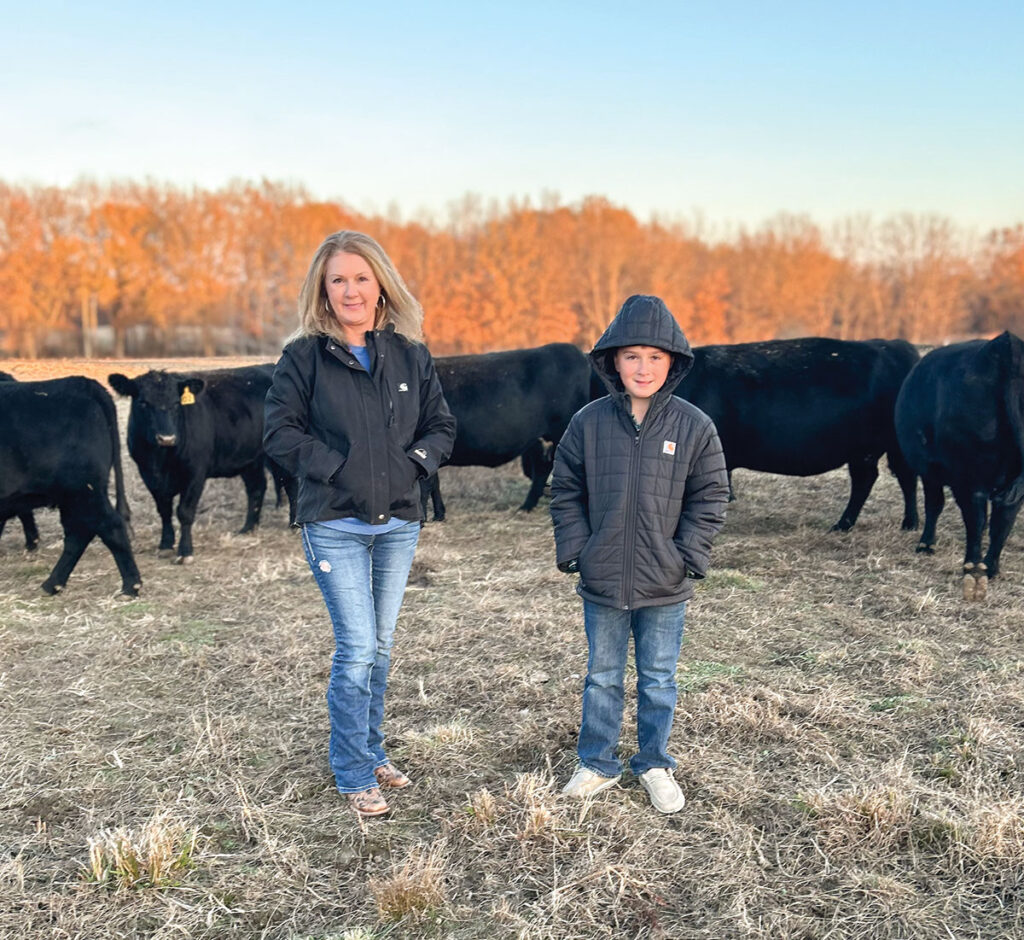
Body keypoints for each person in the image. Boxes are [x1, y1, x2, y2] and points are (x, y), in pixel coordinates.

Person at [264, 231, 456, 818]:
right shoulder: (303, 357)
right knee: (356, 649)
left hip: (398, 522)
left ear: (381, 286)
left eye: (361, 278)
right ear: (323, 291)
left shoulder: (409, 355)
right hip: (335, 523)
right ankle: (352, 771)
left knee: (381, 646)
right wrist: (340, 469)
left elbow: (440, 427)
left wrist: (411, 468)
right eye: (338, 279)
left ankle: (371, 751)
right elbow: (279, 434)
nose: (351, 290)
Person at [550, 294, 729, 814]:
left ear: (673, 362)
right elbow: (565, 488)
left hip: (665, 582)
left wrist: (687, 556)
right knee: (602, 675)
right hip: (603, 577)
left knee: (658, 678)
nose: (643, 367)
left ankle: (653, 761)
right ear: (612, 361)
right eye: (632, 356)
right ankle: (597, 763)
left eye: (655, 356)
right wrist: (578, 549)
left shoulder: (695, 427)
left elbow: (711, 495)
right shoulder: (588, 423)